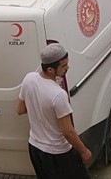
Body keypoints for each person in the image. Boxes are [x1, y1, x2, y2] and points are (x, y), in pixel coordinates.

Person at [17, 43, 91, 179]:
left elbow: (20, 109)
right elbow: (68, 132)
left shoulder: (29, 79)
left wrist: (40, 109)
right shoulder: (58, 95)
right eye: (63, 66)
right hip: (59, 154)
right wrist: (84, 151)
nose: (67, 68)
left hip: (35, 148)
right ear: (50, 69)